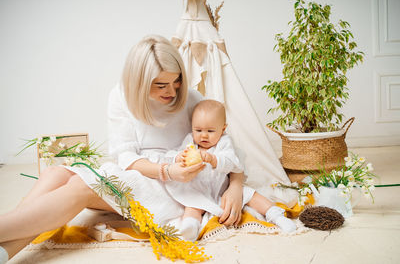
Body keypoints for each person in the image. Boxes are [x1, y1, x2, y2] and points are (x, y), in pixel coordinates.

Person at [0, 35, 244, 263]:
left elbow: (227, 147)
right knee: (55, 174)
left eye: (176, 81)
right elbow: (126, 157)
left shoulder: (191, 99)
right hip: (147, 173)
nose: (171, 91)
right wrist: (167, 170)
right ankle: (5, 250)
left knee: (81, 186)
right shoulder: (120, 97)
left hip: (177, 190)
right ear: (139, 81)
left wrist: (235, 187)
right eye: (160, 85)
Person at [163, 100, 297, 241]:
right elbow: (171, 155)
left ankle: (276, 215)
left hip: (224, 189)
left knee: (252, 195)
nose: (203, 136)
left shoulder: (224, 142)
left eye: (210, 131)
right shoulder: (190, 141)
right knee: (192, 206)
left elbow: (232, 162)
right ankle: (190, 227)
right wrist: (179, 157)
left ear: (223, 129)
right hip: (200, 189)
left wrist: (214, 160)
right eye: (198, 130)